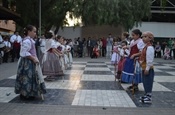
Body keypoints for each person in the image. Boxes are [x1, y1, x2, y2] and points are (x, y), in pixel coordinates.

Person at [15, 25, 46, 100]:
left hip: (31, 61)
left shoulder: (30, 40)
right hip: (27, 62)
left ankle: (31, 93)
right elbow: (23, 52)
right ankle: (26, 94)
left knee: (32, 77)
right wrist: (33, 58)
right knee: (27, 77)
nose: (35, 33)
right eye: (34, 31)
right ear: (29, 32)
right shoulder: (27, 41)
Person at [139, 31, 155, 104]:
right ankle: (146, 94)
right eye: (143, 37)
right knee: (145, 82)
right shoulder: (145, 47)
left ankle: (149, 96)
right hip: (144, 67)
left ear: (150, 38)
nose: (143, 38)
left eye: (145, 37)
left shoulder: (150, 47)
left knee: (148, 82)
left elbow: (149, 59)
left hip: (147, 68)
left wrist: (147, 68)